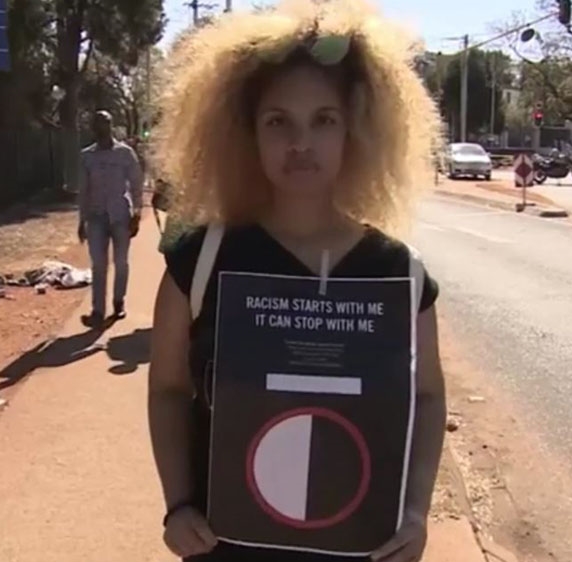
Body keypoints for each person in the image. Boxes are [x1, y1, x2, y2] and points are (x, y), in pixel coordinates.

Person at [147, 1, 446, 561]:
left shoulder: (399, 274)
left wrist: (414, 510)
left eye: (323, 120)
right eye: (278, 121)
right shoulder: (200, 261)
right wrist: (178, 504)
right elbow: (167, 389)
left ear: (355, 131)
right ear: (247, 134)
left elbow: (427, 396)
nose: (301, 142)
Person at [78, 110, 144, 328]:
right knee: (98, 264)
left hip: (120, 216)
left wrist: (137, 213)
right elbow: (84, 190)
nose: (101, 127)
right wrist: (81, 220)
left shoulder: (125, 153)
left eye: (105, 123)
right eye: (97, 124)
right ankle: (98, 311)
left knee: (121, 262)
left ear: (111, 125)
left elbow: (136, 183)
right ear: (93, 128)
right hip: (96, 216)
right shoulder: (87, 156)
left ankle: (118, 302)